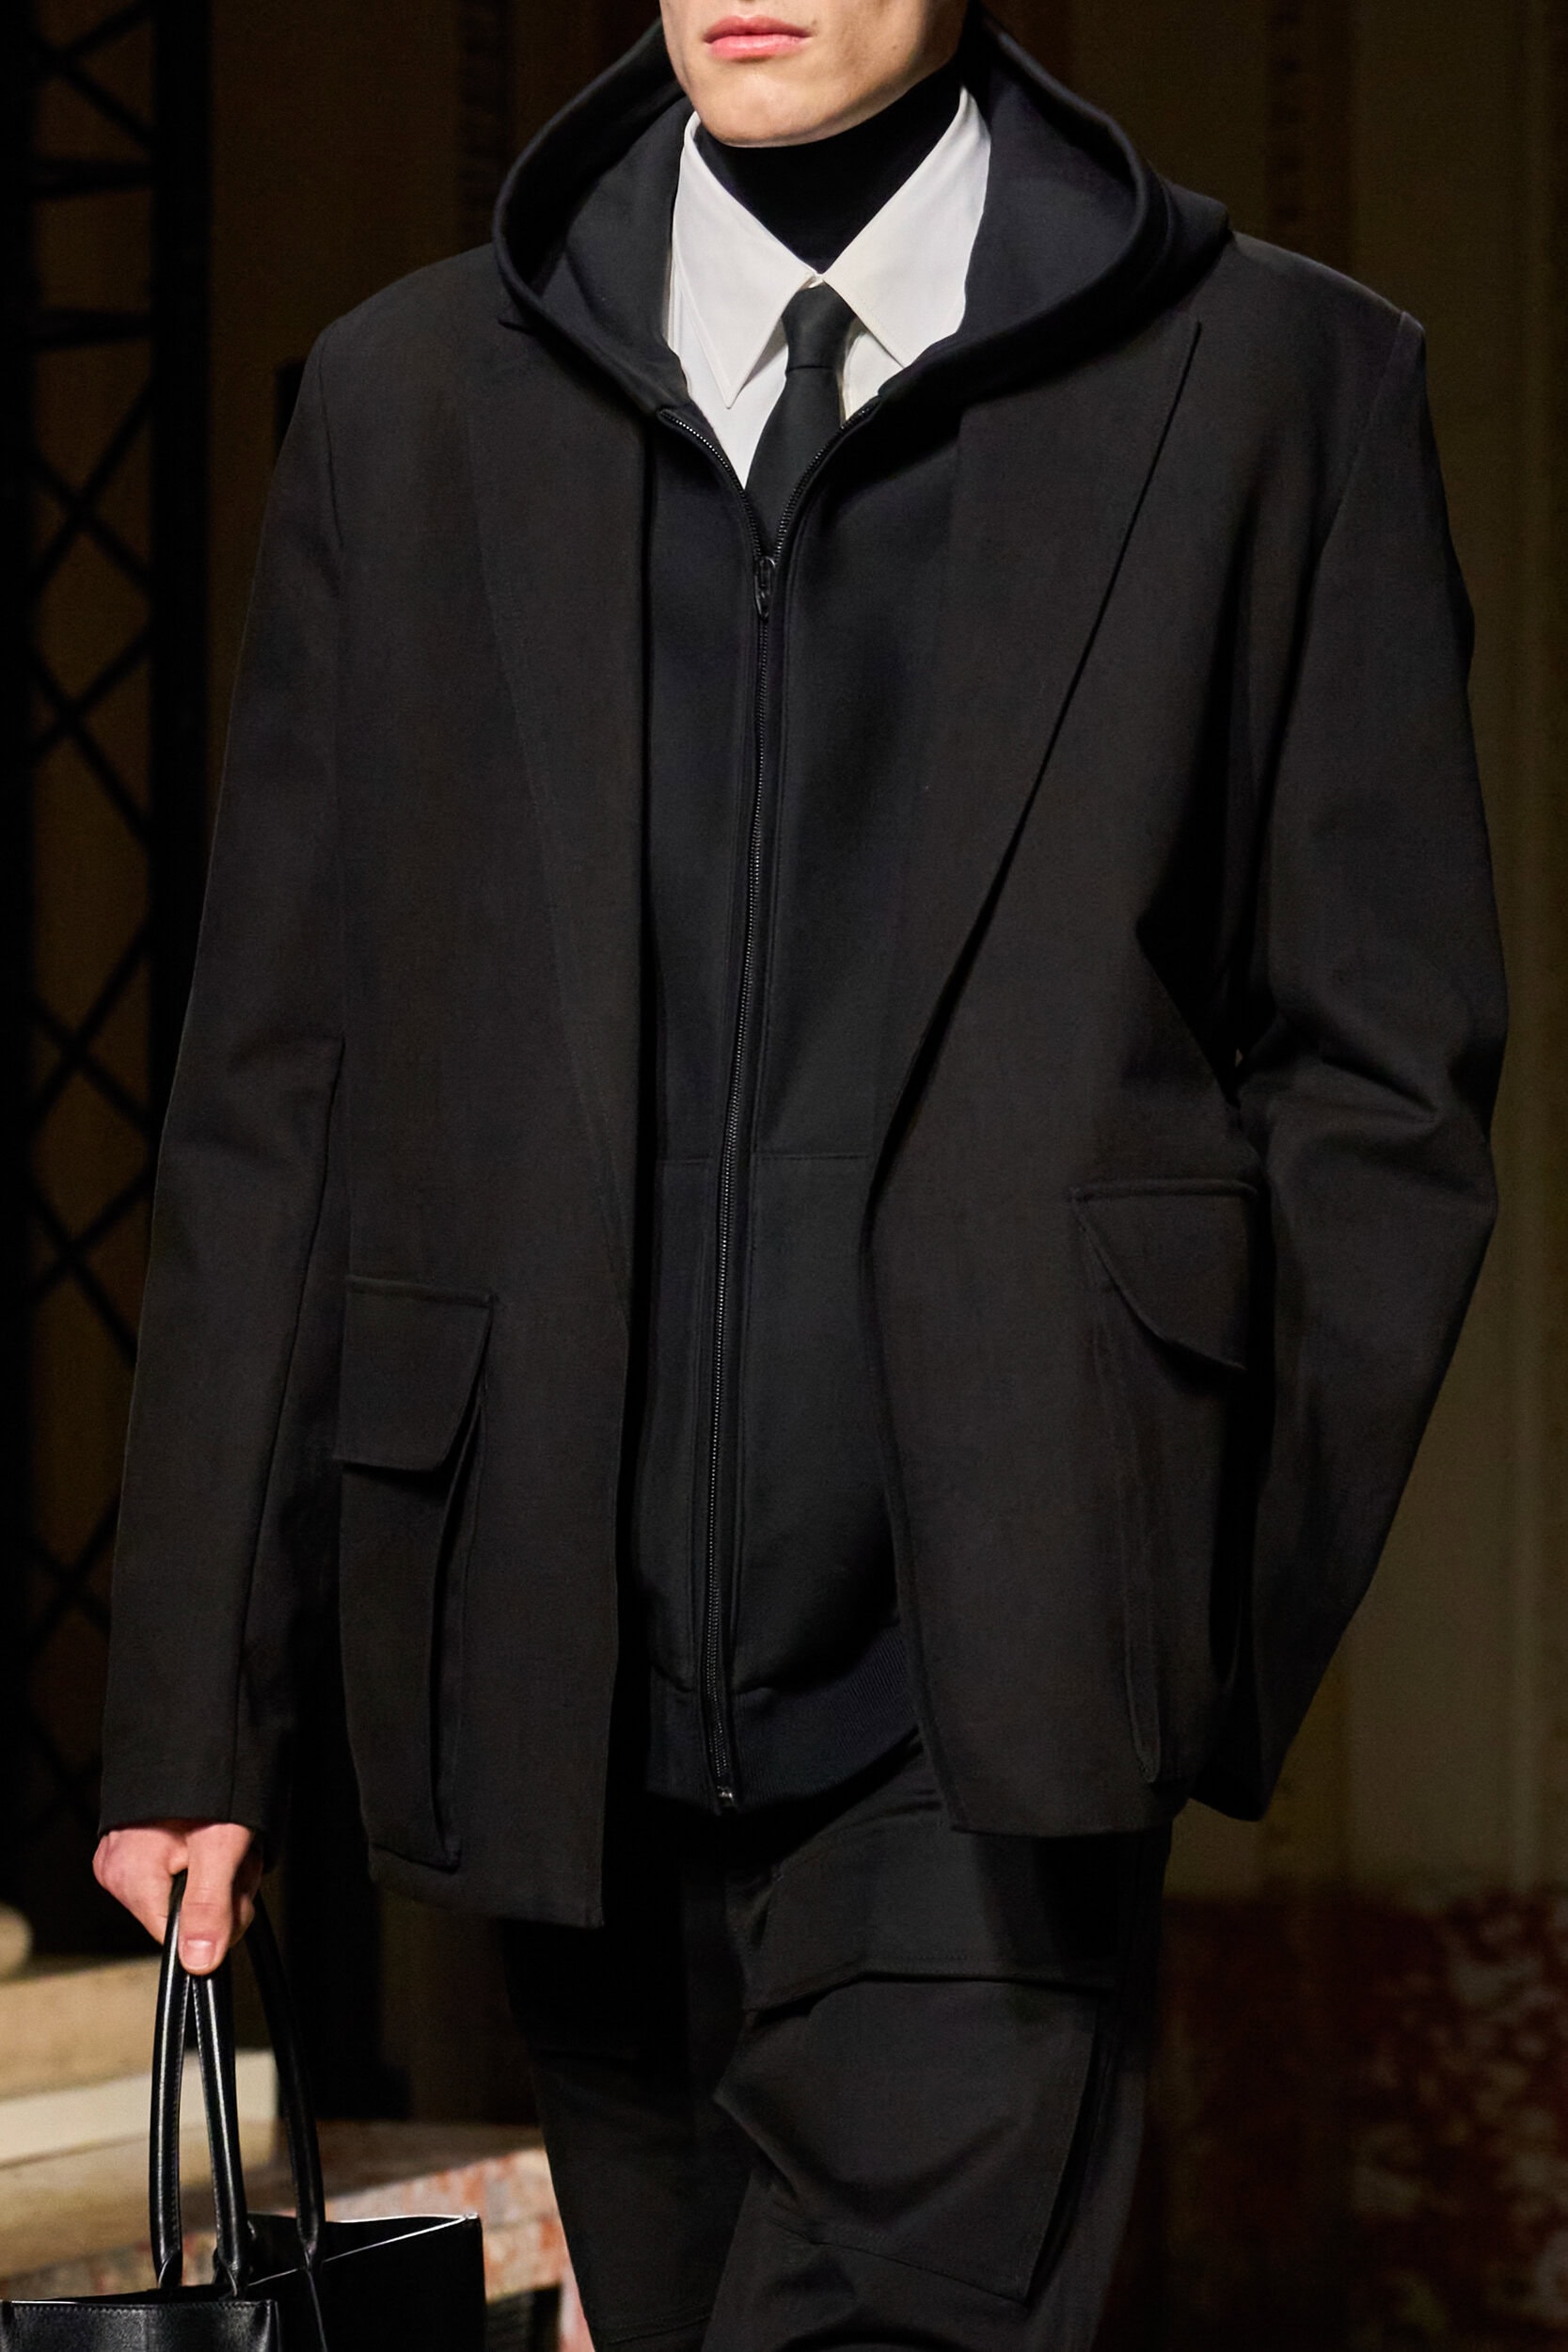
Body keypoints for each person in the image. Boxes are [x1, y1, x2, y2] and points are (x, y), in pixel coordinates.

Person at [94, 0, 1506, 2343]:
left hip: (992, 1699)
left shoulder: (1271, 381)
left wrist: (1181, 1597)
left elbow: (1385, 1073)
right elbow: (284, 1089)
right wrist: (193, 1717)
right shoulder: (411, 401)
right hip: (562, 1696)